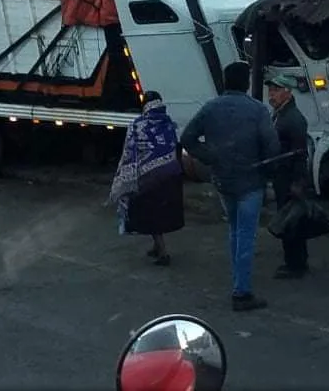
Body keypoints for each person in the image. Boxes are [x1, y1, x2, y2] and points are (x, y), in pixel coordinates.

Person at [181, 61, 280, 312]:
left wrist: (209, 157)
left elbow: (187, 138)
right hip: (251, 180)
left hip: (223, 180)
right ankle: (241, 292)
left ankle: (239, 278)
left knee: (235, 230)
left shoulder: (211, 108)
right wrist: (268, 172)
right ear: (246, 83)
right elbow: (271, 145)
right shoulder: (257, 110)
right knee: (246, 234)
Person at [108, 91, 185, 266]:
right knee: (160, 212)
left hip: (148, 178)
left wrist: (123, 178)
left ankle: (163, 252)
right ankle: (156, 247)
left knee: (151, 214)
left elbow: (129, 152)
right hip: (171, 175)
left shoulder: (137, 125)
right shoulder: (169, 123)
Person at [265, 74, 311, 279]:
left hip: (290, 177)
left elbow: (300, 153)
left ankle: (296, 263)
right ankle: (294, 260)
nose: (271, 94)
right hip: (281, 176)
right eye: (270, 90)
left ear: (288, 92)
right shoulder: (279, 115)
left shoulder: (293, 119)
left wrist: (299, 182)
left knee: (292, 221)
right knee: (289, 218)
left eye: (276, 90)